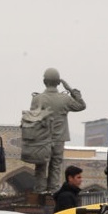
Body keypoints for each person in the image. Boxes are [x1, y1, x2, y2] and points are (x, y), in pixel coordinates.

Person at [30, 68, 86, 198]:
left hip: (42, 139)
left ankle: (40, 192)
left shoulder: (38, 99)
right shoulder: (64, 99)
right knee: (55, 165)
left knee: (41, 166)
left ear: (44, 81)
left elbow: (33, 119)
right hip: (59, 139)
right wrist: (71, 89)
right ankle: (54, 191)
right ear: (58, 82)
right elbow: (81, 105)